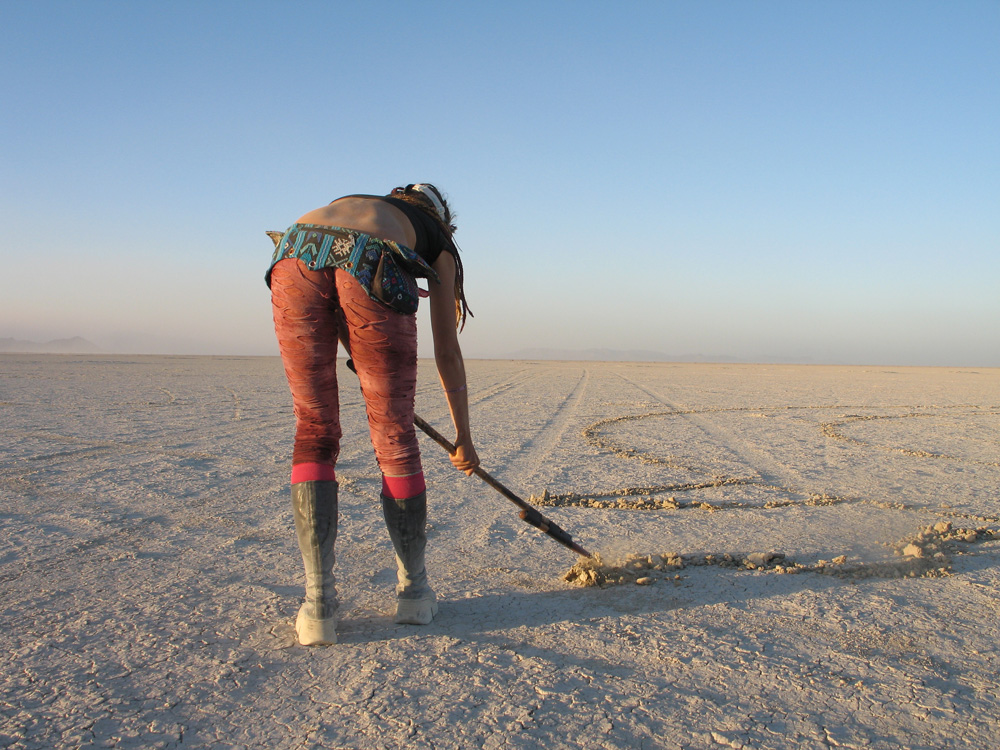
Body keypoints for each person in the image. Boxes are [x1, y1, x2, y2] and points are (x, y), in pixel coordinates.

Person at [267, 184, 479, 646]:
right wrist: (463, 435)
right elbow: (447, 348)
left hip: (293, 248)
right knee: (394, 434)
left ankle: (318, 606)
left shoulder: (359, 203)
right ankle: (414, 594)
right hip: (373, 258)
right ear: (443, 218)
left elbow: (334, 272)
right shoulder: (437, 239)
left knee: (314, 429)